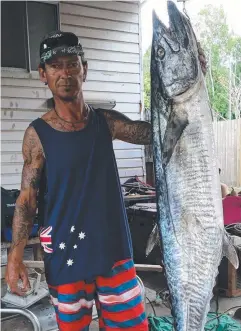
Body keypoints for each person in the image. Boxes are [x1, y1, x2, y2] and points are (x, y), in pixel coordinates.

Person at [5, 31, 207, 331]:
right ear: (43, 75)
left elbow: (158, 132)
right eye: (55, 66)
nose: (64, 73)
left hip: (113, 250)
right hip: (65, 255)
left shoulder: (106, 122)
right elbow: (27, 199)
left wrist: (192, 76)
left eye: (72, 64)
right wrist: (15, 257)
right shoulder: (37, 135)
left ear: (84, 69)